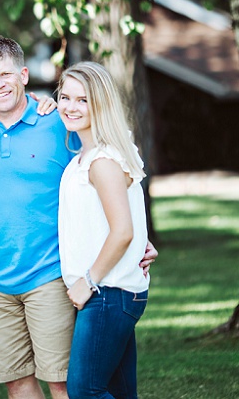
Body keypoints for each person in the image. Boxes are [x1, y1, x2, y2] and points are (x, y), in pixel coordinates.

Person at [0, 36, 79, 399]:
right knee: (17, 381)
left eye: (6, 74)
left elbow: (104, 170)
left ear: (24, 75)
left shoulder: (59, 122)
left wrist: (137, 234)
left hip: (51, 272)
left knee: (60, 381)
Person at [56, 62, 150, 399]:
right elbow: (118, 219)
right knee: (119, 392)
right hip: (112, 292)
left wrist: (88, 282)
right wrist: (145, 242)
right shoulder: (88, 155)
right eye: (65, 97)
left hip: (107, 292)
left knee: (84, 391)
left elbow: (122, 230)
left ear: (101, 103)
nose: (71, 106)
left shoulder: (102, 161)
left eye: (83, 100)